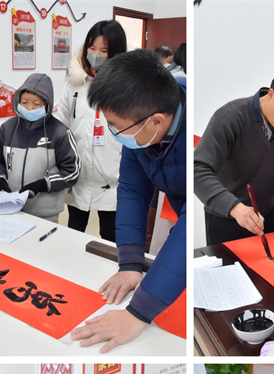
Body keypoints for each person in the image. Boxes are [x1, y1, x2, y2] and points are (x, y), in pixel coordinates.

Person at [69, 49, 186, 352]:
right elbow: (133, 190)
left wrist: (138, 312)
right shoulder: (141, 131)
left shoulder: (200, 135)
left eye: (116, 126)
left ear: (157, 121)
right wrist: (131, 262)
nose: (113, 133)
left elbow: (192, 225)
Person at [195, 70, 274, 246]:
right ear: (271, 94)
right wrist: (235, 207)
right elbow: (197, 169)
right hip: (226, 218)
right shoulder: (230, 118)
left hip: (268, 216)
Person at [58, 20, 127, 242]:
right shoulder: (74, 84)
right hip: (79, 177)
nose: (96, 55)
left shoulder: (127, 88)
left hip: (113, 180)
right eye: (92, 48)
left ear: (116, 52)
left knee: (110, 238)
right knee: (73, 234)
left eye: (104, 51)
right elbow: (61, 125)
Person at [0, 74, 80, 223]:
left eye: (36, 104)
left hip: (45, 215)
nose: (29, 108)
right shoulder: (8, 128)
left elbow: (72, 172)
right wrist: (0, 180)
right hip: (11, 211)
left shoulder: (60, 133)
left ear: (47, 104)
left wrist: (42, 184)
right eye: (24, 102)